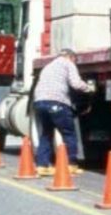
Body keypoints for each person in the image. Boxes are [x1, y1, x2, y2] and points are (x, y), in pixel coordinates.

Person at [33, 48, 95, 176]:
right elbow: (76, 83)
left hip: (39, 102)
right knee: (68, 134)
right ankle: (71, 164)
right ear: (71, 57)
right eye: (75, 60)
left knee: (46, 133)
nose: (75, 63)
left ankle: (42, 165)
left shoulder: (48, 66)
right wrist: (89, 88)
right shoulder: (68, 64)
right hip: (57, 102)